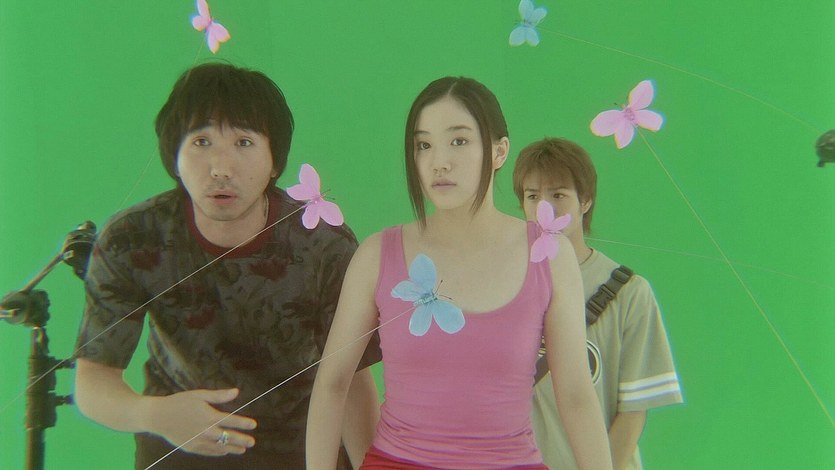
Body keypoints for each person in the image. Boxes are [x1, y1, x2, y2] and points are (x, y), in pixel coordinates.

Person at [73, 63, 381, 470]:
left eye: (244, 142)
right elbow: (93, 378)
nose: (221, 168)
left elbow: (352, 379)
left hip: (303, 450)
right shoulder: (132, 238)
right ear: (174, 157)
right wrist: (155, 414)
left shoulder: (323, 243)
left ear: (274, 162)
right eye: (201, 142)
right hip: (178, 448)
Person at [306, 77, 612, 469]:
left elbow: (576, 397)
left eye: (459, 141)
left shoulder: (549, 255)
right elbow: (333, 382)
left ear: (500, 151)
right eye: (424, 145)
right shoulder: (377, 255)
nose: (439, 162)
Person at [512, 137, 683, 470]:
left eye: (558, 195)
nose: (544, 208)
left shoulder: (629, 292)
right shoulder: (501, 284)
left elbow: (632, 413)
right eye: (532, 196)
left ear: (585, 200)